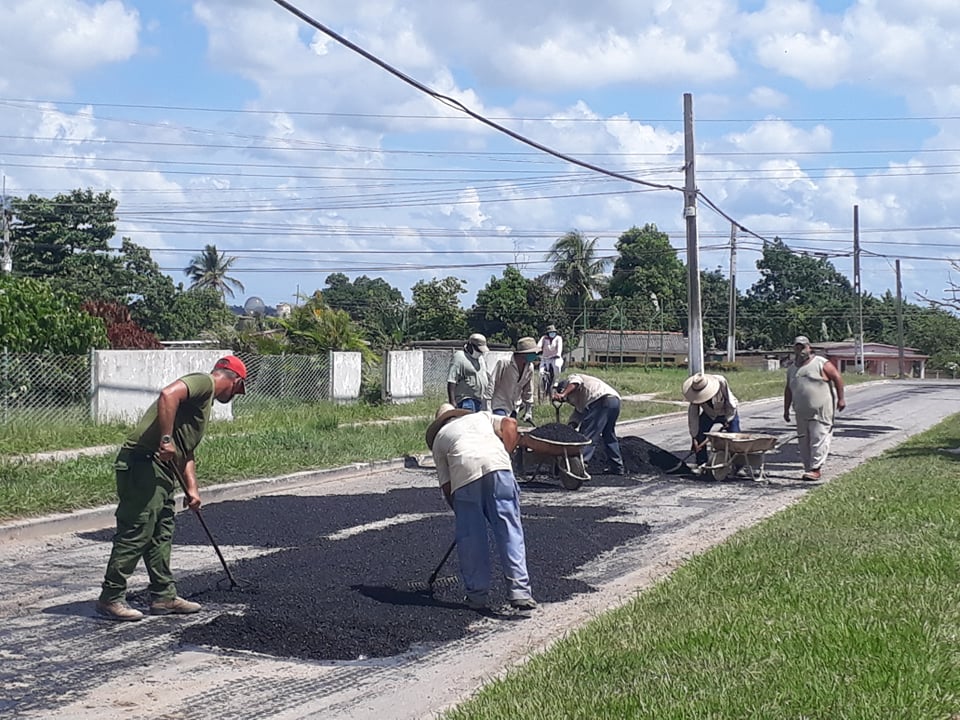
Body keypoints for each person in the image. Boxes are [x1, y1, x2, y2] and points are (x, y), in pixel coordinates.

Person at [95, 355, 248, 621]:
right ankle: (110, 597)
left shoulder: (202, 405)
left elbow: (185, 450)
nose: (236, 395)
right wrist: (165, 439)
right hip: (143, 462)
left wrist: (192, 489)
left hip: (161, 469)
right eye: (239, 390)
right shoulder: (204, 382)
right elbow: (168, 394)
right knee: (138, 529)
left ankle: (164, 596)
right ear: (234, 381)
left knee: (162, 532)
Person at [425, 403, 537, 613]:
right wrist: (505, 455)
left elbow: (447, 486)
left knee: (471, 537)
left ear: (441, 423)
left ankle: (477, 595)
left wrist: (461, 513)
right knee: (509, 530)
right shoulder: (482, 417)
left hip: (465, 475)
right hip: (499, 467)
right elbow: (511, 423)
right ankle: (520, 592)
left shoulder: (440, 438)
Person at [784, 336, 846, 481]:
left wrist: (841, 399)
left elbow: (837, 377)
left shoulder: (821, 363)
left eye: (803, 347)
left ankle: (815, 469)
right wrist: (786, 409)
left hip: (820, 411)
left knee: (819, 438)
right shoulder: (792, 369)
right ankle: (808, 468)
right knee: (803, 442)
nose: (800, 350)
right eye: (797, 347)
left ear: (809, 347)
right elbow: (788, 390)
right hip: (801, 412)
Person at [553, 373, 624, 475]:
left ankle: (580, 465)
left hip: (601, 400)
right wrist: (570, 427)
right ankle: (617, 467)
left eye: (568, 398)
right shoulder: (583, 397)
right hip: (614, 402)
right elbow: (578, 413)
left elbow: (576, 382)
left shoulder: (572, 378)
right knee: (609, 434)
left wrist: (563, 394)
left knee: (587, 434)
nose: (569, 401)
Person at [682, 372, 741, 466]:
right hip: (709, 414)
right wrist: (694, 437)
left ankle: (737, 465)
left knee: (735, 437)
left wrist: (728, 419)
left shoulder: (720, 382)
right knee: (699, 435)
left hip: (726, 411)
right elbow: (693, 416)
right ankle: (701, 462)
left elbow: (730, 402)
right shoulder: (692, 393)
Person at [486, 336, 538, 423]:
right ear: (523, 354)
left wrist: (528, 410)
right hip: (500, 404)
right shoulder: (504, 363)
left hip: (515, 406)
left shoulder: (529, 367)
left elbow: (528, 389)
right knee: (501, 430)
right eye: (532, 353)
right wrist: (486, 406)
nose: (534, 355)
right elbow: (492, 383)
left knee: (511, 432)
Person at [447, 332, 490, 412]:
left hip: (480, 400)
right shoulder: (459, 357)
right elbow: (451, 380)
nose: (480, 353)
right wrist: (452, 402)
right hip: (466, 400)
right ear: (470, 345)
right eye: (478, 350)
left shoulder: (481, 359)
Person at [537, 324, 563, 394]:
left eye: (553, 332)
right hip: (545, 358)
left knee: (557, 366)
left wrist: (558, 354)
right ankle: (542, 385)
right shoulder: (544, 338)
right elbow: (538, 346)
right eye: (550, 332)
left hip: (555, 358)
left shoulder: (558, 338)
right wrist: (536, 351)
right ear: (548, 333)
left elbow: (560, 348)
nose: (552, 334)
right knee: (541, 372)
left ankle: (556, 381)